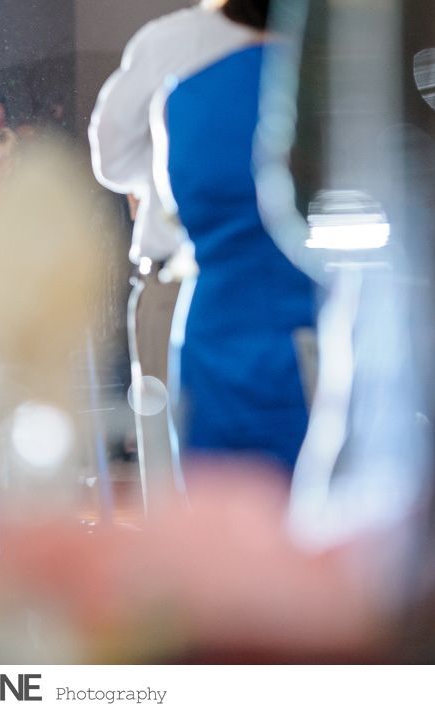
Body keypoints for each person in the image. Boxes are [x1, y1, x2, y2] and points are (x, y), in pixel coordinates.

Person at [90, 0, 263, 500]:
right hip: (292, 286)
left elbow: (113, 156)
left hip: (180, 282)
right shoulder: (309, 41)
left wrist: (171, 166)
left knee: (175, 476)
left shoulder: (173, 39)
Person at [154, 0, 317, 474]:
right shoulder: (332, 89)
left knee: (224, 527)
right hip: (310, 330)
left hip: (212, 334)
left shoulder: (179, 97)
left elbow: (177, 214)